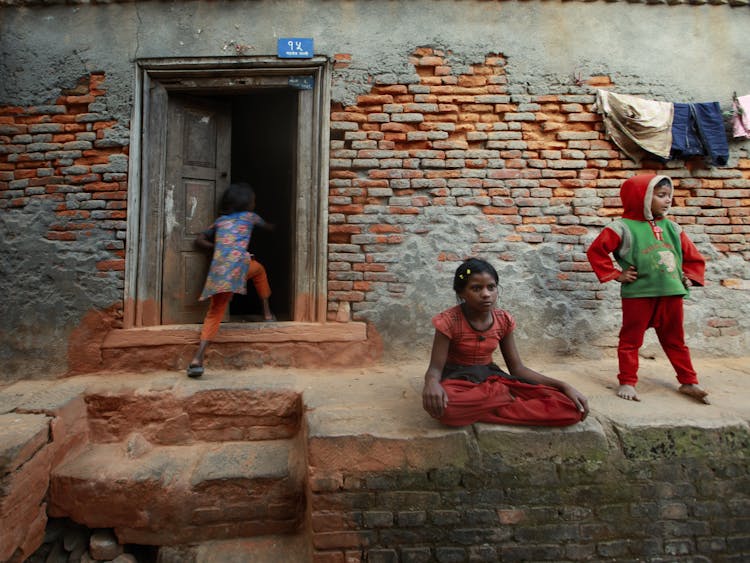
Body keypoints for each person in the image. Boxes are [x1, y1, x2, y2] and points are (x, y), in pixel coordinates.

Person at [421, 258, 589, 427]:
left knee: (570, 407)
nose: (486, 294)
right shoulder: (449, 321)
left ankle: (490, 403)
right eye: (476, 288)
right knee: (446, 407)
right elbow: (435, 369)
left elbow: (517, 369)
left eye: (491, 287)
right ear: (461, 293)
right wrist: (431, 384)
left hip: (491, 378)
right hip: (458, 380)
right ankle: (502, 399)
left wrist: (564, 386)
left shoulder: (504, 320)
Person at [586, 174, 709, 403]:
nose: (668, 200)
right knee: (631, 340)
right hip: (638, 294)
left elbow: (692, 256)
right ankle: (627, 382)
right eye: (661, 195)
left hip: (671, 293)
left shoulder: (672, 227)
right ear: (640, 197)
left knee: (676, 340)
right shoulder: (621, 227)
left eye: (669, 196)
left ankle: (689, 381)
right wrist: (616, 274)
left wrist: (690, 276)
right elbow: (596, 251)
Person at [186, 182, 275, 378]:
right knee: (259, 271)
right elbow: (268, 227)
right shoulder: (250, 217)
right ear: (248, 204)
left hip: (218, 274)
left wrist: (217, 248)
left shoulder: (220, 222)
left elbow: (198, 240)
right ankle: (267, 313)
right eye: (253, 201)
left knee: (214, 312)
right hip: (239, 270)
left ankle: (197, 358)